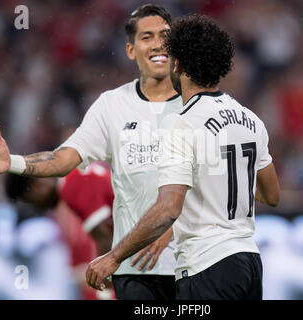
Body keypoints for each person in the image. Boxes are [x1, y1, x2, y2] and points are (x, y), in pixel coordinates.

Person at [0, 4, 180, 300]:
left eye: (163, 36)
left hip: (170, 256)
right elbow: (61, 157)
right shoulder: (110, 108)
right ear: (130, 51)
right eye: (147, 37)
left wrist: (107, 282)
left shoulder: (73, 187)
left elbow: (104, 237)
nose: (37, 206)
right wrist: (16, 162)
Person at [85, 15, 280, 300]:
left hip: (207, 266)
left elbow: (168, 208)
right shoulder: (250, 120)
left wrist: (114, 257)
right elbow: (271, 194)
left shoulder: (182, 122)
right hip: (249, 262)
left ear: (178, 65)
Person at [5, 168, 115, 300]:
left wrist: (105, 290)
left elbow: (104, 237)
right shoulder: (73, 176)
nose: (37, 206)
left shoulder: (69, 187)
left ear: (36, 184)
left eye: (31, 201)